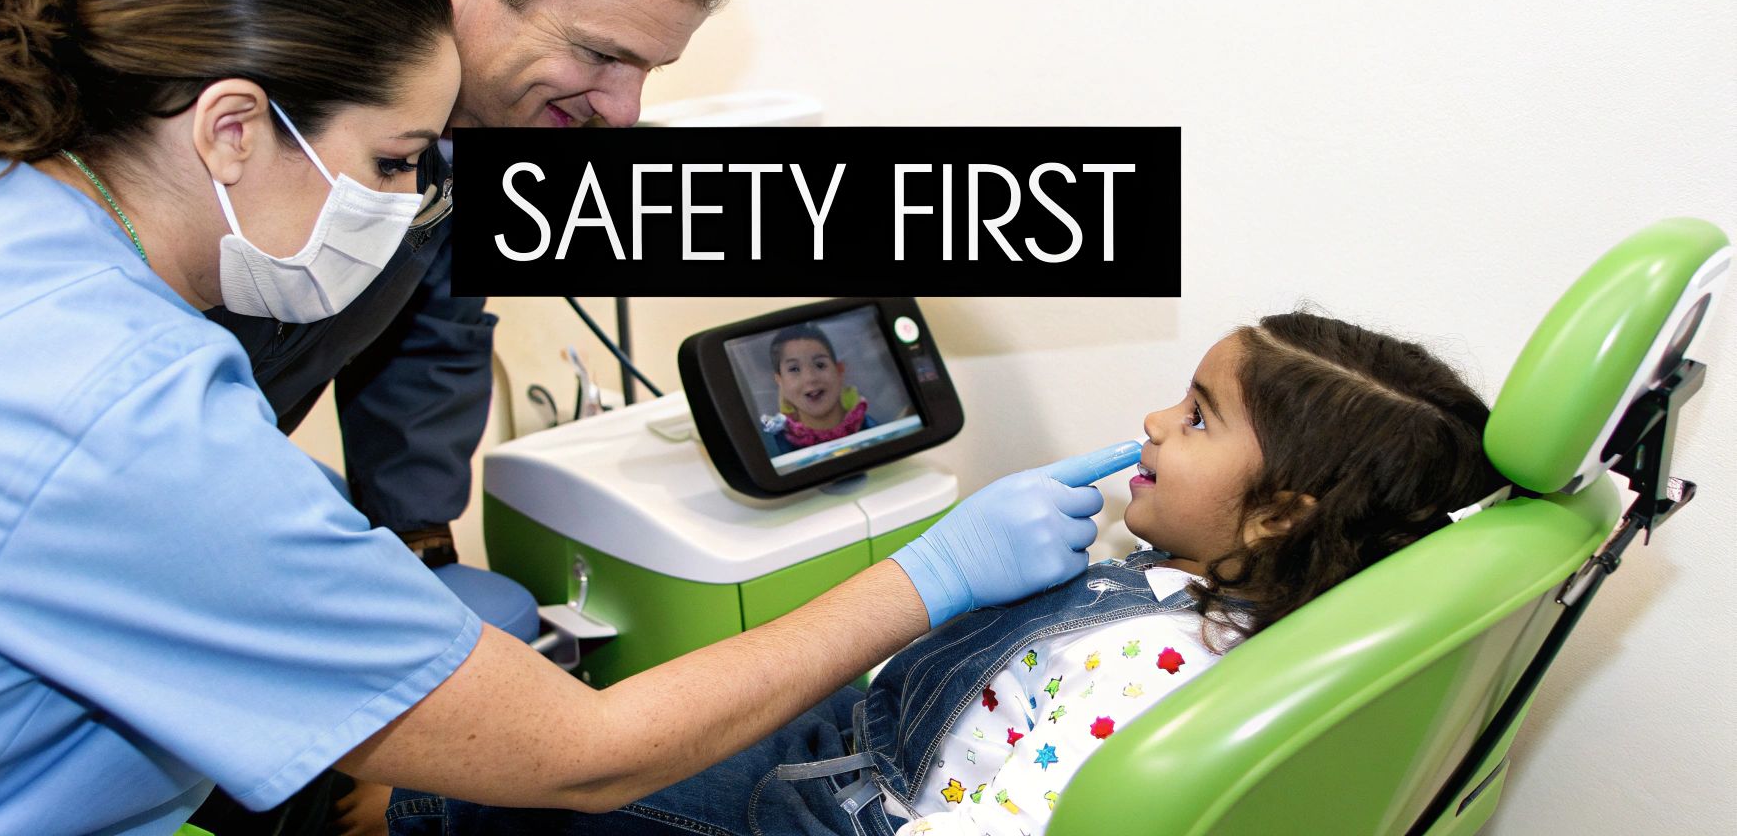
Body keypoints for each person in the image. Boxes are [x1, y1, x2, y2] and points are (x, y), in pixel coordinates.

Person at [0, 0, 1116, 836]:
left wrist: (407, 553)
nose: (409, 197)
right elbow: (581, 755)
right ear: (232, 129)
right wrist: (930, 576)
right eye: (394, 162)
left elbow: (431, 351)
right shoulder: (122, 412)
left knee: (484, 609)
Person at [398, 312, 1509, 835]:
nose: (1152, 421)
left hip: (844, 806)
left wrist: (935, 577)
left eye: (1198, 416)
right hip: (856, 726)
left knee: (501, 801)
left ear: (1278, 513)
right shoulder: (1194, 580)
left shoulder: (1149, 677)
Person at [204, 0, 750, 602]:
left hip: (224, 455)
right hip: (123, 481)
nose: (624, 110)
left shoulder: (490, 120)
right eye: (600, 53)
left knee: (495, 612)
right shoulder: (271, 85)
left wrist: (419, 547)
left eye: (650, 70)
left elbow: (431, 335)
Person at [763, 324, 883, 456]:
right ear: (780, 381)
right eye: (794, 369)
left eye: (820, 365)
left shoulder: (873, 431)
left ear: (839, 371)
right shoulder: (776, 447)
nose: (810, 378)